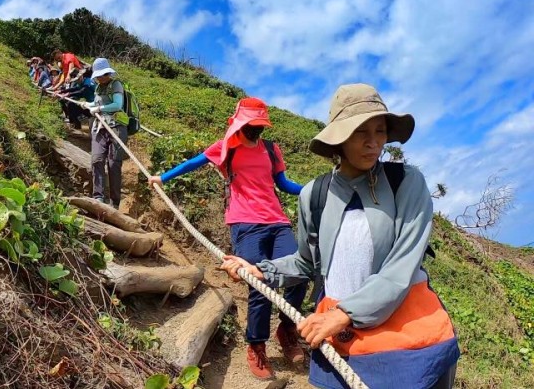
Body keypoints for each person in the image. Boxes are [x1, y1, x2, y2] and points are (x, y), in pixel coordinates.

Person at [220, 84, 460, 389]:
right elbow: (307, 263)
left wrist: (346, 313)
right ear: (339, 137)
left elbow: (402, 265)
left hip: (408, 336)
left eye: (381, 131)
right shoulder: (315, 195)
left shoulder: (405, 182)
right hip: (341, 337)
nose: (374, 143)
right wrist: (263, 270)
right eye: (362, 132)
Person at [148, 97, 307, 380]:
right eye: (251, 126)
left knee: (299, 273)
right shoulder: (226, 148)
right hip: (245, 223)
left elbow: (283, 184)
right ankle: (256, 344)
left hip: (278, 221)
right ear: (240, 123)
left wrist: (313, 189)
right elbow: (193, 163)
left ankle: (286, 329)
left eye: (260, 127)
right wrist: (163, 177)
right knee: (259, 283)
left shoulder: (271, 150)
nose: (256, 132)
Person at [80, 58, 128, 209]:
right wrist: (88, 104)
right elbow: (97, 102)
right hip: (99, 127)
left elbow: (117, 104)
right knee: (96, 160)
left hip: (116, 127)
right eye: (98, 76)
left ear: (108, 73)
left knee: (113, 164)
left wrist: (99, 109)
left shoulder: (116, 84)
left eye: (103, 75)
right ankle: (98, 197)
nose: (101, 78)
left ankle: (114, 203)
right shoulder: (98, 87)